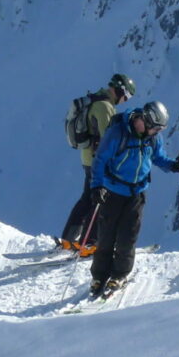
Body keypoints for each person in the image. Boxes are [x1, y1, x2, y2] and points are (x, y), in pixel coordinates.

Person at [89, 100, 179, 295]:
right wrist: (97, 186)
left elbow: (158, 157)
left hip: (137, 193)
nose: (156, 132)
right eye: (155, 128)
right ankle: (99, 275)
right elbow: (100, 159)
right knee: (106, 234)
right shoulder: (118, 133)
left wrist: (174, 165)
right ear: (145, 120)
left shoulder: (152, 138)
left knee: (128, 236)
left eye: (159, 129)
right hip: (113, 190)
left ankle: (119, 275)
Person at [58, 73, 136, 253]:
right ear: (121, 90)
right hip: (98, 161)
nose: (125, 100)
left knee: (87, 198)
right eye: (127, 96)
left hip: (87, 158)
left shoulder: (94, 99)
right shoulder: (105, 107)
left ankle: (68, 239)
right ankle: (89, 243)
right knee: (99, 200)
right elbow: (108, 138)